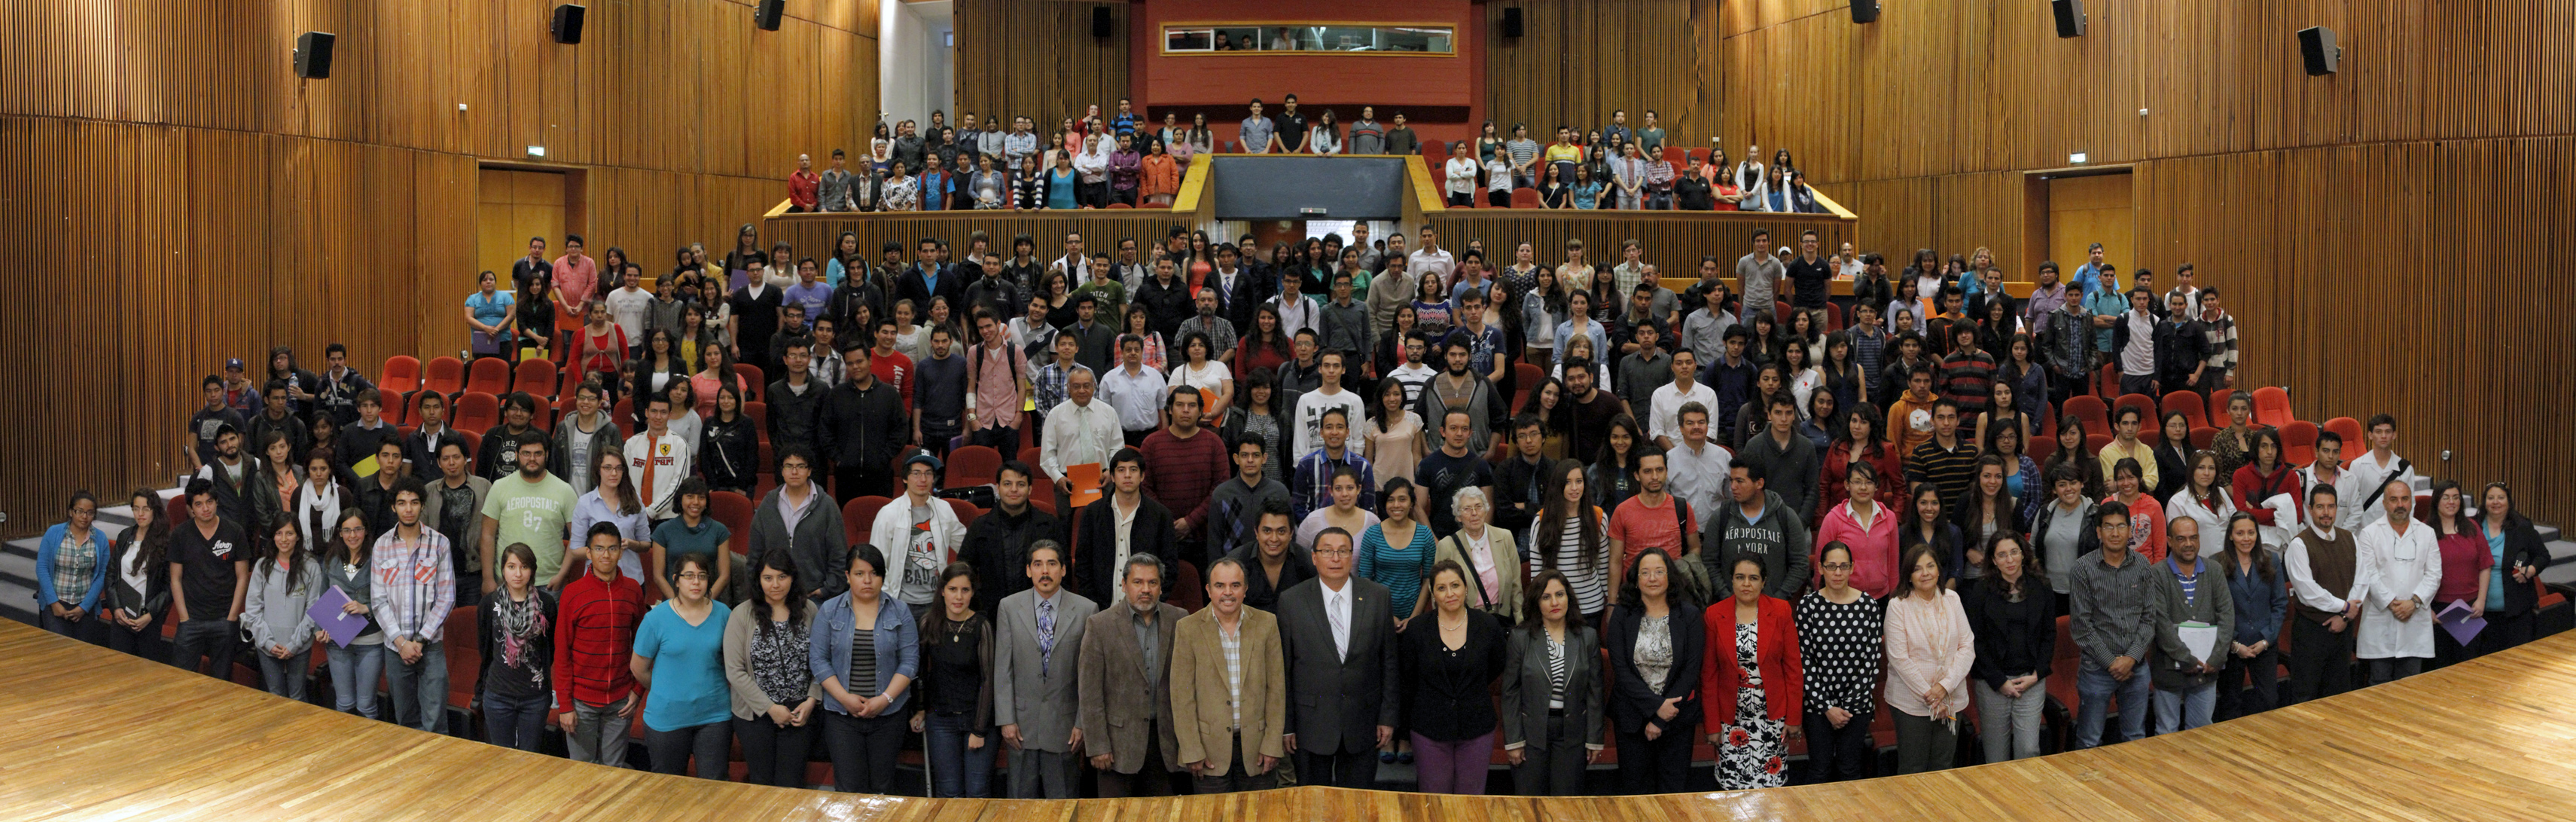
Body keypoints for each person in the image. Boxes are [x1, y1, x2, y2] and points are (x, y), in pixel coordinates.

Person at [1273, 525, 1399, 788]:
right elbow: (1282, 669)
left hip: (1363, 722)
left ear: (1352, 556)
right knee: (1311, 807)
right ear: (1314, 557)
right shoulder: (1291, 601)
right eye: (1327, 551)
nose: (1335, 558)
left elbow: (1388, 662)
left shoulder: (1378, 596)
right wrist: (1287, 725)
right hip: (1310, 725)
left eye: (1343, 551)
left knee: (1357, 806)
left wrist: (1387, 717)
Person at [1166, 557, 1290, 793]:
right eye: (1220, 586)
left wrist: (1273, 744)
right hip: (1208, 753)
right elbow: (1182, 697)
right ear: (1208, 590)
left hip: (1258, 751)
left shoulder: (1267, 623)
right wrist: (1192, 750)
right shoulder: (1188, 628)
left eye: (1235, 585)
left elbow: (1276, 690)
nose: (1228, 593)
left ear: (1245, 589)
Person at [1077, 554, 1188, 796]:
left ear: (1161, 586)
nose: (1145, 589)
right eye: (1138, 582)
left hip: (1165, 744)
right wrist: (1097, 746)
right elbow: (1089, 693)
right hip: (1116, 747)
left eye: (1152, 582)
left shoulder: (1180, 619)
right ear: (1124, 584)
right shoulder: (1100, 625)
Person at [1396, 560, 1509, 796]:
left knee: (1471, 801)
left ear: (1466, 588)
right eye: (1441, 588)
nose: (1450, 594)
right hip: (1429, 730)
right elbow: (1408, 679)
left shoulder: (1488, 625)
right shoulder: (1417, 629)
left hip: (1477, 727)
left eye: (1455, 585)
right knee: (1435, 801)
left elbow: (1497, 666)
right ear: (1432, 594)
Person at [813, 545, 920, 793]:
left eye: (874, 573)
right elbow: (818, 660)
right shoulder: (829, 610)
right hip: (841, 715)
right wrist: (845, 698)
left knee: (883, 788)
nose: (868, 581)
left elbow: (910, 661)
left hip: (889, 714)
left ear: (883, 576)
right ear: (848, 576)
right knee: (849, 789)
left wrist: (885, 699)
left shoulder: (900, 611)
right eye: (860, 574)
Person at [991, 540, 1094, 797]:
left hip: (1065, 725)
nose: (1044, 571)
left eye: (1051, 564)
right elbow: (1003, 668)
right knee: (1020, 804)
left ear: (1063, 570)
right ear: (1028, 570)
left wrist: (1082, 722)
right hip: (1021, 726)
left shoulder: (1086, 610)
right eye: (1038, 564)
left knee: (1063, 805)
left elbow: (1088, 675)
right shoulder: (1009, 607)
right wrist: (1006, 719)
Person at [1498, 569, 1604, 796]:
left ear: (1569, 598)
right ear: (1536, 602)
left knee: (1566, 806)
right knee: (1530, 805)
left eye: (1560, 594)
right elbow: (1510, 692)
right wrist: (1514, 740)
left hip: (1572, 733)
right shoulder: (1520, 638)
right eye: (1546, 597)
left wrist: (1595, 739)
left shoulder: (1587, 637)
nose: (1554, 602)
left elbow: (1595, 691)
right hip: (1531, 733)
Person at [1701, 555, 1803, 788]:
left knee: (1771, 789)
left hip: (1772, 719)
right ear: (1732, 581)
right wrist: (1712, 726)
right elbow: (1709, 675)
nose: (1746, 584)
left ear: (1764, 581)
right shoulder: (1715, 615)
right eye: (1740, 577)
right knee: (1733, 789)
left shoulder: (1781, 611)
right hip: (1731, 721)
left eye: (1753, 578)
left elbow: (1793, 670)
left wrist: (1794, 717)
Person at [2067, 504, 2155, 749]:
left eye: (2120, 526)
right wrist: (2112, 662)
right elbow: (2081, 627)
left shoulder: (2142, 566)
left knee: (2135, 738)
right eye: (2108, 526)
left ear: (2129, 531)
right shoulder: (2082, 569)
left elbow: (2149, 619)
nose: (2115, 533)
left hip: (2136, 670)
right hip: (2096, 670)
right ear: (2098, 532)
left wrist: (2131, 658)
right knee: (2089, 741)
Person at [373, 477, 456, 734]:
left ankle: (439, 773)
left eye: (414, 502)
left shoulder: (439, 543)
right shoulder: (381, 545)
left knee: (435, 722)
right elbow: (378, 600)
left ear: (422, 506)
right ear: (393, 508)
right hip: (396, 649)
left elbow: (446, 597)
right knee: (405, 721)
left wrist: (419, 641)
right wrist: (401, 643)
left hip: (430, 648)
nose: (408, 508)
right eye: (402, 503)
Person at [1794, 542, 1882, 783]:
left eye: (1843, 566)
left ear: (1852, 568)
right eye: (1831, 566)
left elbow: (1872, 659)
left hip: (1857, 706)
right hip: (1817, 706)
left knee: (1850, 769)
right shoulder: (1808, 606)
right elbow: (1804, 660)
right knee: (1819, 769)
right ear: (1820, 568)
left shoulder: (1868, 606)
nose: (1838, 572)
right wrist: (1827, 707)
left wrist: (1850, 706)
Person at [1881, 543, 1971, 774]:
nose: (1926, 573)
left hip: (1951, 698)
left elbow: (1967, 646)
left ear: (1939, 570)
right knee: (1914, 768)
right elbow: (1899, 658)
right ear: (1909, 576)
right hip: (1911, 703)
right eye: (1918, 569)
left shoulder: (1952, 599)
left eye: (1930, 566)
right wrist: (1932, 697)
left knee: (1943, 766)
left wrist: (1944, 688)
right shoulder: (1898, 606)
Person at [911, 563, 995, 797]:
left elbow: (988, 680)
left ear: (972, 593)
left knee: (977, 793)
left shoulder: (982, 626)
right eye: (953, 589)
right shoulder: (929, 623)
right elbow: (921, 672)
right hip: (941, 720)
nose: (958, 597)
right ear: (942, 591)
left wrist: (979, 731)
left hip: (976, 720)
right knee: (949, 793)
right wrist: (919, 709)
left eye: (965, 590)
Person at [2145, 515, 2233, 734]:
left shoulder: (2214, 570)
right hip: (2169, 669)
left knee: (2202, 733)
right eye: (2181, 538)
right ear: (2169, 541)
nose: (2188, 544)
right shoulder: (2156, 573)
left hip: (2207, 668)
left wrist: (2217, 656)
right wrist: (2186, 658)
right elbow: (2160, 622)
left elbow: (2227, 615)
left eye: (2193, 538)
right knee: (2166, 732)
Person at [2355, 478, 2438, 684]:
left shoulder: (2427, 533)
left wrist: (2414, 602)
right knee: (2379, 686)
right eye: (2393, 499)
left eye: (2404, 499)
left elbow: (2434, 574)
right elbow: (2369, 574)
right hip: (2380, 622)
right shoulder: (2369, 534)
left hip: (2415, 622)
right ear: (2384, 504)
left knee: (2410, 689)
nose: (2400, 504)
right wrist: (2394, 604)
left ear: (2412, 502)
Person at [476, 542, 556, 752]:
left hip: (535, 698)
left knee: (530, 760)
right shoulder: (489, 603)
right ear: (502, 569)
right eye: (511, 567)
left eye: (524, 567)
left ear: (533, 570)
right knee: (501, 759)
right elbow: (484, 648)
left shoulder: (546, 604)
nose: (518, 574)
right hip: (498, 696)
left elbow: (551, 649)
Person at [169, 478, 250, 677]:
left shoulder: (235, 531)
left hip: (224, 619)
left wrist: (232, 617)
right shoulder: (180, 534)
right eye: (199, 504)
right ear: (191, 509)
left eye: (209, 502)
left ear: (216, 502)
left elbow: (242, 577)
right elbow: (175, 579)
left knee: (222, 682)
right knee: (182, 680)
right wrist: (184, 618)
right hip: (191, 620)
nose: (205, 508)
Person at [872, 454, 971, 616]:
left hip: (937, 602)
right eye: (916, 473)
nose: (923, 479)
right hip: (900, 603)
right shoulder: (888, 514)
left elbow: (966, 546)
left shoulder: (944, 509)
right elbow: (876, 561)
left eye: (928, 473)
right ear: (905, 478)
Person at [749, 448, 850, 601]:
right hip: (773, 595)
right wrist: (758, 590)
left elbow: (839, 555)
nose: (794, 471)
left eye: (801, 466)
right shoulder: (768, 504)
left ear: (809, 471)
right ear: (782, 471)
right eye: (788, 466)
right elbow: (755, 554)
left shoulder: (827, 506)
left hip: (814, 596)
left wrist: (827, 589)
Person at [1708, 457, 1812, 603]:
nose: (1733, 487)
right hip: (1731, 608)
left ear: (1759, 483)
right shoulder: (1721, 516)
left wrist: (1778, 599)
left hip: (1772, 609)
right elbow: (1710, 562)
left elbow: (1800, 564)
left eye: (1740, 481)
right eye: (1731, 480)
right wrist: (1726, 596)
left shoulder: (1786, 516)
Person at [2216, 513, 2288, 721]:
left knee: (2269, 701)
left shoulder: (2271, 559)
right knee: (2231, 705)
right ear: (2230, 536)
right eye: (2240, 533)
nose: (2246, 538)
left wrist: (2267, 640)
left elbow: (2280, 603)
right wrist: (2233, 645)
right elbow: (2214, 610)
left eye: (2251, 532)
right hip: (2231, 646)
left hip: (2264, 643)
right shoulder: (2216, 563)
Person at [242, 516, 322, 698]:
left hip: (299, 646)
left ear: (298, 537)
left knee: (298, 696)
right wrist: (268, 643)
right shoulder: (262, 567)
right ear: (273, 537)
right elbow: (253, 611)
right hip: (268, 646)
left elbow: (314, 610)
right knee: (274, 696)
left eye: (289, 533)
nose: (284, 539)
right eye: (279, 533)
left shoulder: (311, 567)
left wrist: (294, 644)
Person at [102, 488, 173, 660]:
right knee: (120, 667)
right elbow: (111, 575)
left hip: (148, 619)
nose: (140, 514)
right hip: (122, 616)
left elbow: (169, 587)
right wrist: (116, 607)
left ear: (155, 510)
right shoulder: (125, 536)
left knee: (146, 672)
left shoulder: (166, 541)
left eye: (146, 509)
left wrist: (149, 615)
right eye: (136, 508)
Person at [35, 492, 110, 644]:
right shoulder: (54, 533)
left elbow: (103, 574)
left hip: (85, 607)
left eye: (90, 513)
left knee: (82, 655)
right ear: (71, 512)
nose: (84, 516)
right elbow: (42, 568)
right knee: (59, 651)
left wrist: (85, 607)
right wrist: (54, 603)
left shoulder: (100, 539)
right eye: (79, 511)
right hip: (55, 605)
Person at [1359, 478, 1437, 623]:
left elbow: (1428, 579)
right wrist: (1387, 615)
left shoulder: (1424, 534)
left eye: (1402, 499)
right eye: (1391, 500)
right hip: (1379, 613)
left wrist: (1414, 617)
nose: (1396, 505)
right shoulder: (1372, 534)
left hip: (1415, 613)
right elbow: (1365, 579)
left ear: (1412, 503)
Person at [2346, 414, 2420, 532]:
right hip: (2364, 532)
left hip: (2394, 531)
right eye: (2378, 432)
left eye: (2388, 432)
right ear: (2370, 435)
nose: (2384, 436)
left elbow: (2409, 505)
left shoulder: (2405, 468)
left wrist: (2404, 531)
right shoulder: (2357, 466)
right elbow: (2351, 504)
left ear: (2394, 435)